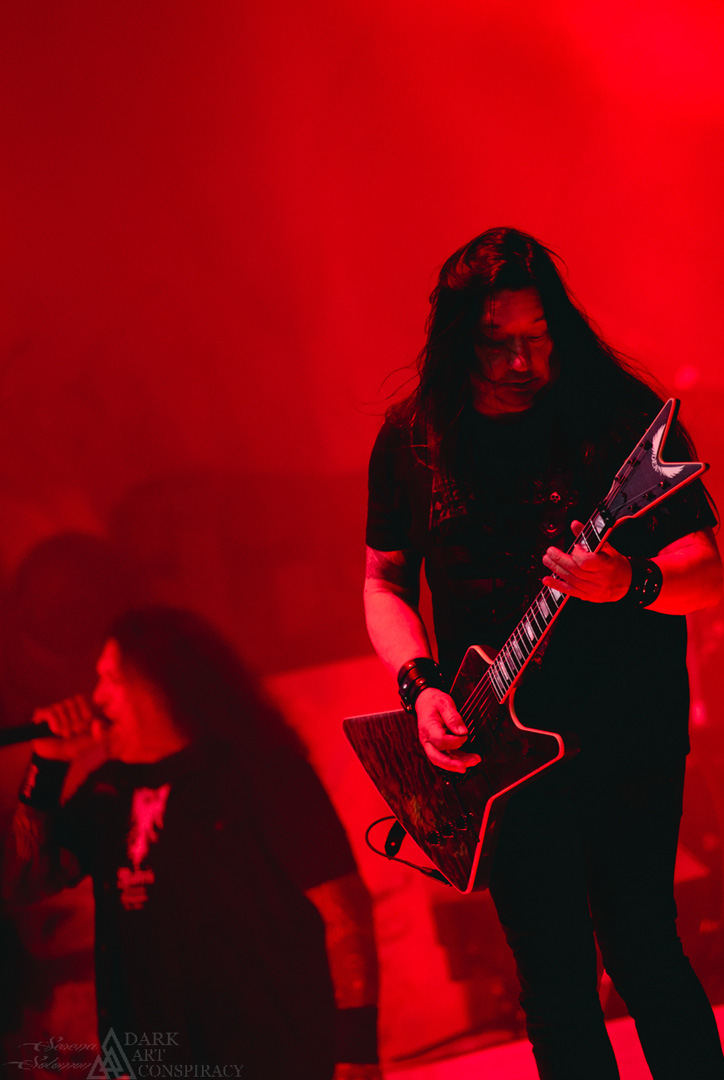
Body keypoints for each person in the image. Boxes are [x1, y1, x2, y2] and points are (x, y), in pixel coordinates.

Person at [363, 227, 724, 1079]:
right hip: (500, 750)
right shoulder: (414, 439)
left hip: (629, 730)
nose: (523, 361)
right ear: (459, 339)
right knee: (554, 981)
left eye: (539, 335)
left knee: (642, 945)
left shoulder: (617, 415)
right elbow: (384, 583)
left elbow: (708, 572)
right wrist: (419, 687)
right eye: (498, 342)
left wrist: (629, 581)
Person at [3, 606, 381, 1080]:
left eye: (112, 679)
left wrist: (356, 1052)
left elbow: (343, 911)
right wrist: (47, 766)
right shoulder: (108, 793)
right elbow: (22, 883)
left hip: (275, 1060)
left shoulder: (264, 775)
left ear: (164, 684)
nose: (97, 698)